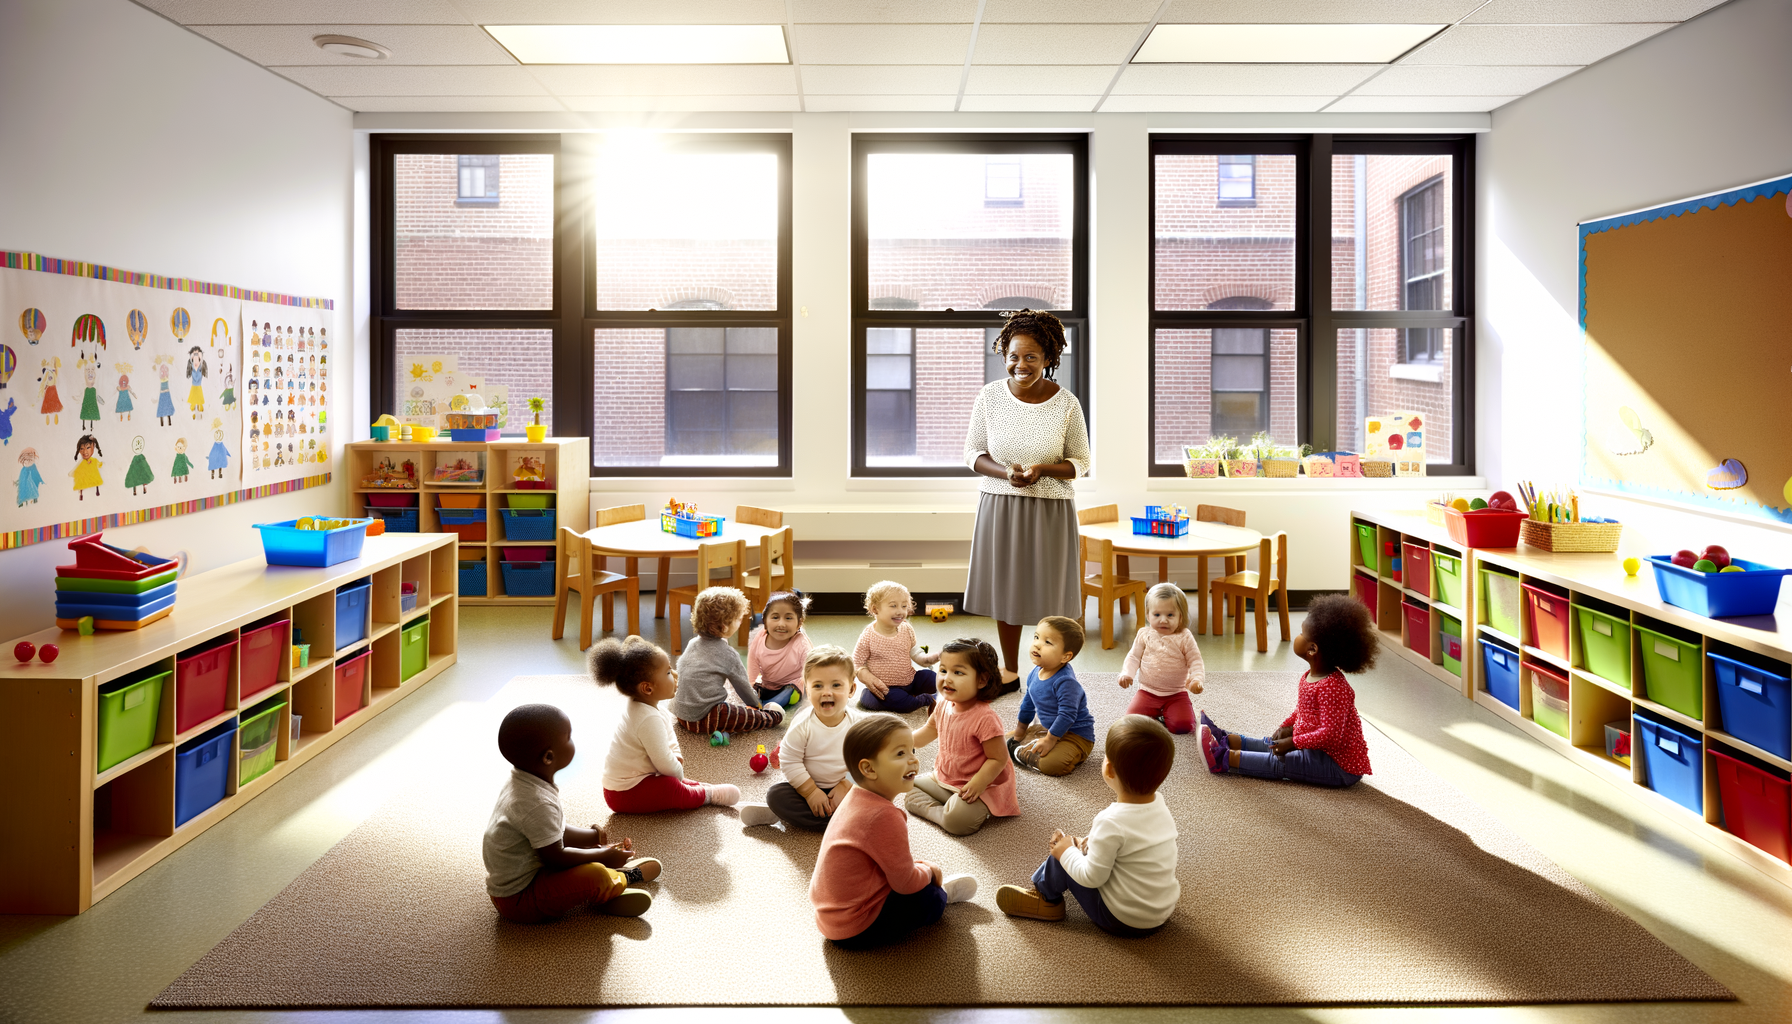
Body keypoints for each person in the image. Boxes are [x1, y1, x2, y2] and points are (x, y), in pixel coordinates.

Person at [962, 308, 1091, 684]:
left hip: (1051, 509)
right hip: (1000, 504)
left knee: (1052, 595)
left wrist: (1042, 470)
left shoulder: (1067, 403)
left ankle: (1053, 673)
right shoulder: (989, 397)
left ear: (1049, 359)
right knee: (1008, 592)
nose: (1021, 364)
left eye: (1031, 356)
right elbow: (973, 453)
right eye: (1014, 356)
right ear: (1004, 355)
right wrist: (1006, 472)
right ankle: (1011, 670)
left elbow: (1080, 462)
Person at [996, 716, 1179, 936]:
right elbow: (1131, 847)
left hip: (1122, 920)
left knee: (1059, 860)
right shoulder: (1160, 807)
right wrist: (1083, 845)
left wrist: (1065, 853)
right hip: (1161, 912)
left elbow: (1091, 877)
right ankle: (1073, 854)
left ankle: (1046, 899)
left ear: (1109, 769)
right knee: (1078, 850)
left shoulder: (1110, 821)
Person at [483, 703, 661, 923]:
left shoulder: (524, 782)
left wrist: (594, 838)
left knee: (590, 851)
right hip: (520, 899)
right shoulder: (536, 803)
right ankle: (616, 882)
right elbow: (556, 857)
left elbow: (551, 833)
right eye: (568, 737)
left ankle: (606, 872)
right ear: (548, 757)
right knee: (595, 872)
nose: (573, 741)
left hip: (532, 873)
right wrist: (604, 856)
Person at [811, 714, 978, 949]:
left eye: (913, 751)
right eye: (901, 754)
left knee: (905, 871)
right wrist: (930, 871)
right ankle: (944, 896)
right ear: (868, 768)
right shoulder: (884, 816)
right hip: (856, 929)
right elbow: (905, 884)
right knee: (927, 898)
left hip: (829, 919)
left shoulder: (854, 797)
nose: (913, 761)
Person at [1200, 594, 1377, 788]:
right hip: (1315, 747)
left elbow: (1330, 734)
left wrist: (1293, 742)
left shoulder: (1334, 688)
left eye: (1302, 633)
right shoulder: (1312, 676)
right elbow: (1303, 710)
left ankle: (1223, 759)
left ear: (1312, 649)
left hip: (1338, 765)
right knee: (1272, 744)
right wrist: (1286, 726)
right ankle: (1225, 739)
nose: (1297, 636)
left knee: (1280, 761)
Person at [593, 635, 742, 812]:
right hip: (623, 794)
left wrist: (676, 758)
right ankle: (707, 795)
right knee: (671, 787)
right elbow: (663, 761)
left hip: (632, 783)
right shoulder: (647, 718)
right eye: (668, 672)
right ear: (648, 688)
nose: (676, 675)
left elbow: (668, 737)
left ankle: (697, 786)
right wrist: (678, 774)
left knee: (670, 778)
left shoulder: (649, 707)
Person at [741, 645, 861, 832]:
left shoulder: (859, 724)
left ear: (852, 689)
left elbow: (870, 758)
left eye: (836, 685)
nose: (826, 692)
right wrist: (811, 792)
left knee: (879, 789)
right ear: (807, 689)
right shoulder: (802, 724)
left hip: (846, 789)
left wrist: (847, 783)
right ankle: (842, 825)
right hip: (807, 789)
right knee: (776, 795)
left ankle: (837, 820)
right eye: (818, 685)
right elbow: (789, 760)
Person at [905, 638, 1018, 836]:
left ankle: (950, 814)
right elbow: (928, 732)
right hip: (947, 777)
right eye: (943, 670)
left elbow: (998, 758)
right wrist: (902, 741)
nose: (947, 678)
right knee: (907, 786)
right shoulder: (942, 704)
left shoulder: (985, 718)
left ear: (982, 680)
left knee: (959, 820)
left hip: (979, 786)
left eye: (958, 672)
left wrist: (978, 783)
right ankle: (942, 812)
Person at [672, 587, 785, 735]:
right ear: (725, 627)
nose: (741, 622)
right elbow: (743, 688)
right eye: (738, 619)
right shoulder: (728, 654)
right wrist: (757, 705)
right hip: (705, 717)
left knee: (728, 710)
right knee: (739, 715)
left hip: (680, 714)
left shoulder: (692, 643)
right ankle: (772, 717)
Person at [1007, 616, 1095, 776]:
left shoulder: (1066, 682)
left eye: (1047, 642)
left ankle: (1022, 753)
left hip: (1076, 736)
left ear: (1065, 657)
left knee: (1052, 765)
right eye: (1036, 637)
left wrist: (1050, 740)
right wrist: (1020, 732)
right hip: (1050, 729)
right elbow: (1027, 704)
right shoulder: (1036, 672)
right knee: (999, 741)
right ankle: (1025, 747)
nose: (1037, 644)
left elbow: (1067, 715)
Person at [1117, 583, 1206, 734]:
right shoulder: (1144, 634)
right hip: (1147, 691)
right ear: (1148, 615)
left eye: (1170, 615)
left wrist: (1196, 679)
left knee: (1184, 727)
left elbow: (1195, 661)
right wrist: (1126, 674)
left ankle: (1165, 715)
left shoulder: (1184, 636)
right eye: (1157, 615)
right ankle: (1158, 714)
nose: (1163, 620)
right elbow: (1133, 657)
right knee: (1132, 724)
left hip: (1176, 694)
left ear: (1180, 616)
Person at [855, 580, 941, 713]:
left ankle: (917, 695)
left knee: (933, 678)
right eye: (893, 606)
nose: (900, 611)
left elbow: (917, 654)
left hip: (911, 680)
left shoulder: (906, 628)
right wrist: (868, 677)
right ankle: (925, 699)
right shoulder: (868, 636)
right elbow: (856, 663)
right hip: (888, 688)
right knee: (900, 702)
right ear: (875, 609)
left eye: (904, 606)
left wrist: (936, 656)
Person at [748, 589, 811, 713]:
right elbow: (752, 662)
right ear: (765, 621)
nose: (781, 624)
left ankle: (767, 709)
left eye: (788, 618)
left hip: (791, 686)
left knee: (790, 690)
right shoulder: (760, 638)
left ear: (799, 623)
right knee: (753, 690)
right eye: (775, 617)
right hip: (768, 685)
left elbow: (811, 668)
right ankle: (760, 706)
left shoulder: (801, 642)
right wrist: (751, 685)